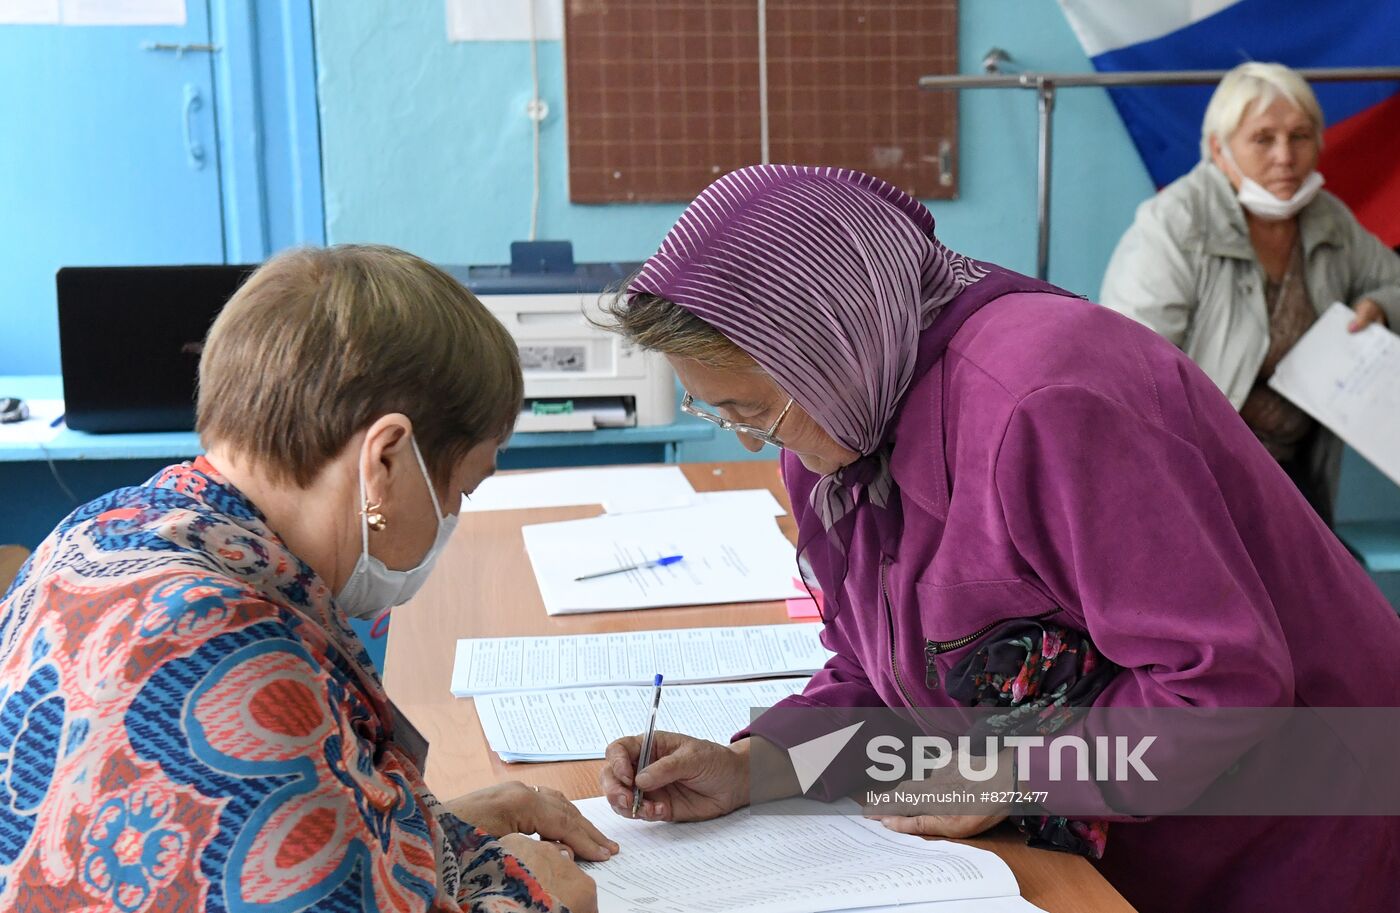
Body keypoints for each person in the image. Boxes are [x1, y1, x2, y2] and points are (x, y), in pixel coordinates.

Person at [592, 164, 1400, 913]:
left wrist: (1015, 773)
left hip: (1301, 819)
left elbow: (1220, 692)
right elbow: (895, 678)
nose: (747, 442)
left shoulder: (1045, 401)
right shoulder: (840, 434)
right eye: (719, 412)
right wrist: (754, 768)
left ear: (828, 347)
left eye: (749, 410)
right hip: (1120, 840)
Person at [0, 246, 610, 912]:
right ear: (385, 459)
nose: (456, 512)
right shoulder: (235, 657)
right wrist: (536, 898)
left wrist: (438, 832)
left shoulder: (100, 531)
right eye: (465, 484)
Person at [1100, 61, 1400, 524]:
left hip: (1293, 471)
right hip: (1196, 473)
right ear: (1220, 150)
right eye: (1263, 139)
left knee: (1331, 588)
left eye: (1300, 136)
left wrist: (1378, 306)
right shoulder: (1174, 223)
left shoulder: (1327, 219)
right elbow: (1133, 367)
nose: (1285, 156)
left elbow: (1393, 281)